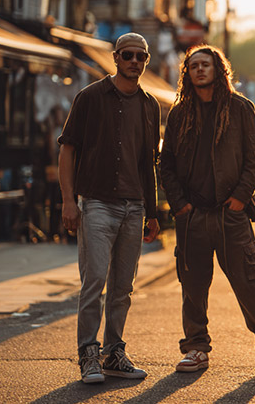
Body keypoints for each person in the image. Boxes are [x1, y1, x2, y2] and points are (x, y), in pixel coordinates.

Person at [159, 45, 255, 376]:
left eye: (206, 64)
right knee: (193, 286)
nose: (199, 69)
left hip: (231, 213)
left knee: (246, 282)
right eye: (194, 65)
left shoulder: (240, 108)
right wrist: (179, 204)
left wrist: (241, 197)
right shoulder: (180, 112)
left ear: (218, 70)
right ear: (188, 73)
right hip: (192, 215)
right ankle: (196, 348)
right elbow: (165, 161)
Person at [58, 33, 161, 384]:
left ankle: (114, 352)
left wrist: (154, 211)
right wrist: (68, 201)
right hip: (97, 203)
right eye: (128, 55)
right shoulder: (89, 97)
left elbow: (149, 161)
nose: (134, 61)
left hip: (135, 207)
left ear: (146, 60)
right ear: (116, 58)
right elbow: (68, 149)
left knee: (123, 285)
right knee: (95, 280)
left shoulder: (150, 105)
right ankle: (88, 353)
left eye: (140, 56)